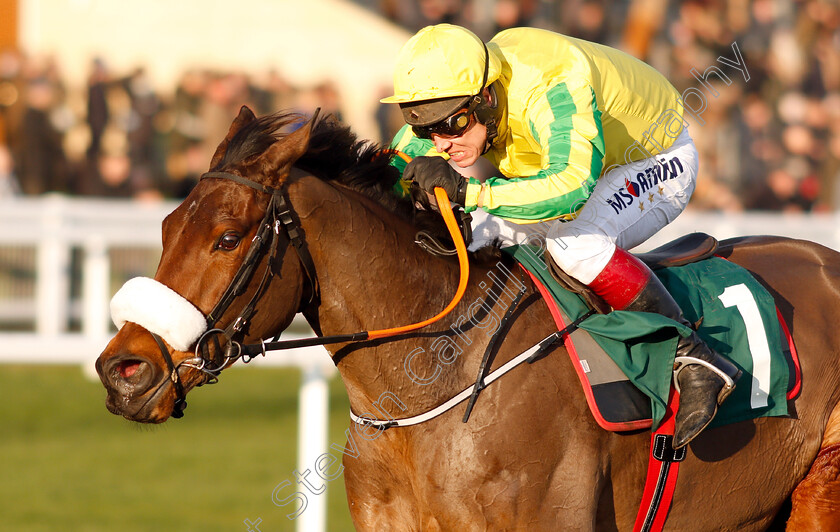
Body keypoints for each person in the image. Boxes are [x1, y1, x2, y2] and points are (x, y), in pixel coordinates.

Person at [381, 23, 742, 449]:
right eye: (428, 129)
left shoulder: (551, 80)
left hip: (656, 159)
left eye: (454, 124)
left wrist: (471, 191)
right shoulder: (451, 102)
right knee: (474, 238)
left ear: (487, 97)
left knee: (576, 245)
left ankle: (694, 356)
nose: (441, 143)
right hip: (576, 170)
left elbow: (571, 189)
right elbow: (394, 168)